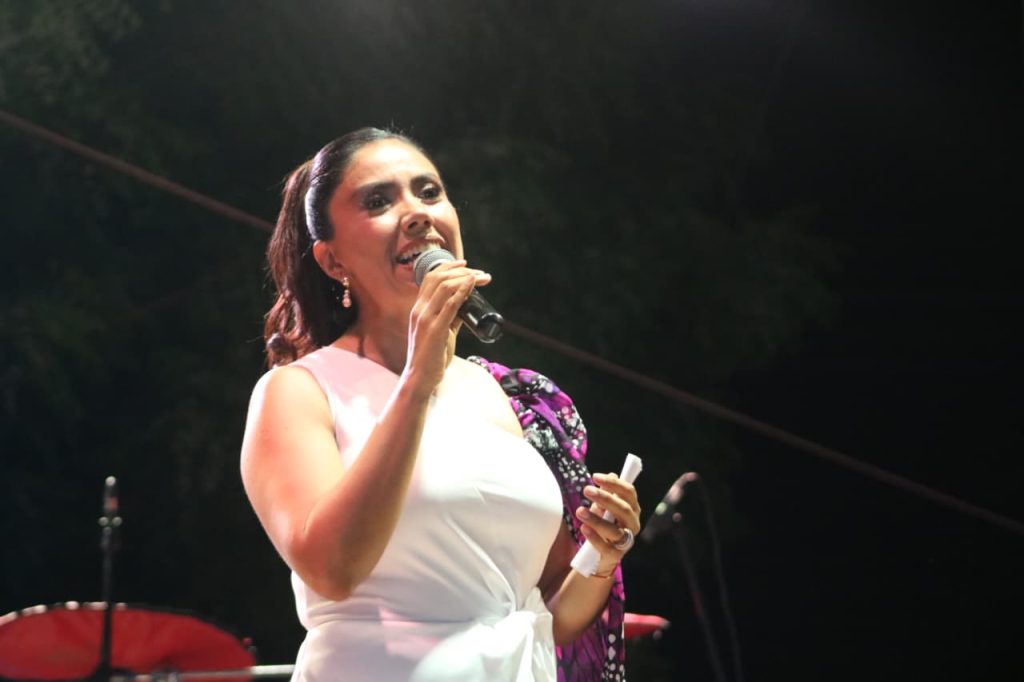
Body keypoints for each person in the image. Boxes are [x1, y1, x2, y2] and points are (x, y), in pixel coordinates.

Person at [240, 127, 641, 682]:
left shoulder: (510, 396)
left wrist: (602, 554)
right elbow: (332, 568)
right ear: (333, 262)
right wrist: (416, 380)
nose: (416, 213)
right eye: (378, 201)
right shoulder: (300, 390)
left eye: (429, 192)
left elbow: (544, 619)